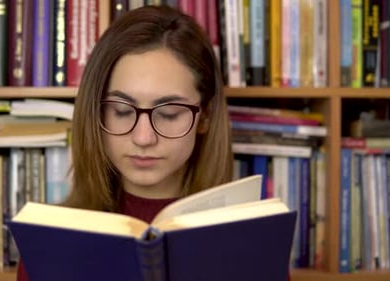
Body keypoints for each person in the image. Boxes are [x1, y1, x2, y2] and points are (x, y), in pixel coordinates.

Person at [16, 5, 234, 280]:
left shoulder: (249, 239)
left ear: (206, 116)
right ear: (96, 112)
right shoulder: (49, 242)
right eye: (122, 111)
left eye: (168, 114)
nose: (144, 138)